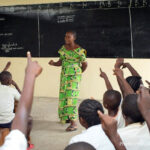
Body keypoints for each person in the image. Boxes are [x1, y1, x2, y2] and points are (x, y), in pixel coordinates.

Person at [0, 51, 42, 150]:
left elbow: (1, 76)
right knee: (28, 119)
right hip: (7, 122)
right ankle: (26, 142)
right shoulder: (12, 90)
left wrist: (6, 68)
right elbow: (23, 99)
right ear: (10, 81)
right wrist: (15, 85)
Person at [49, 31, 87, 131]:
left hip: (74, 77)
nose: (66, 38)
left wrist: (77, 74)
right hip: (64, 76)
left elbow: (85, 64)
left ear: (74, 38)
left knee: (71, 97)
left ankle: (74, 123)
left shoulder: (79, 50)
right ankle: (66, 117)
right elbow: (61, 61)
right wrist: (53, 63)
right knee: (64, 96)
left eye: (69, 37)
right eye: (65, 36)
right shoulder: (63, 48)